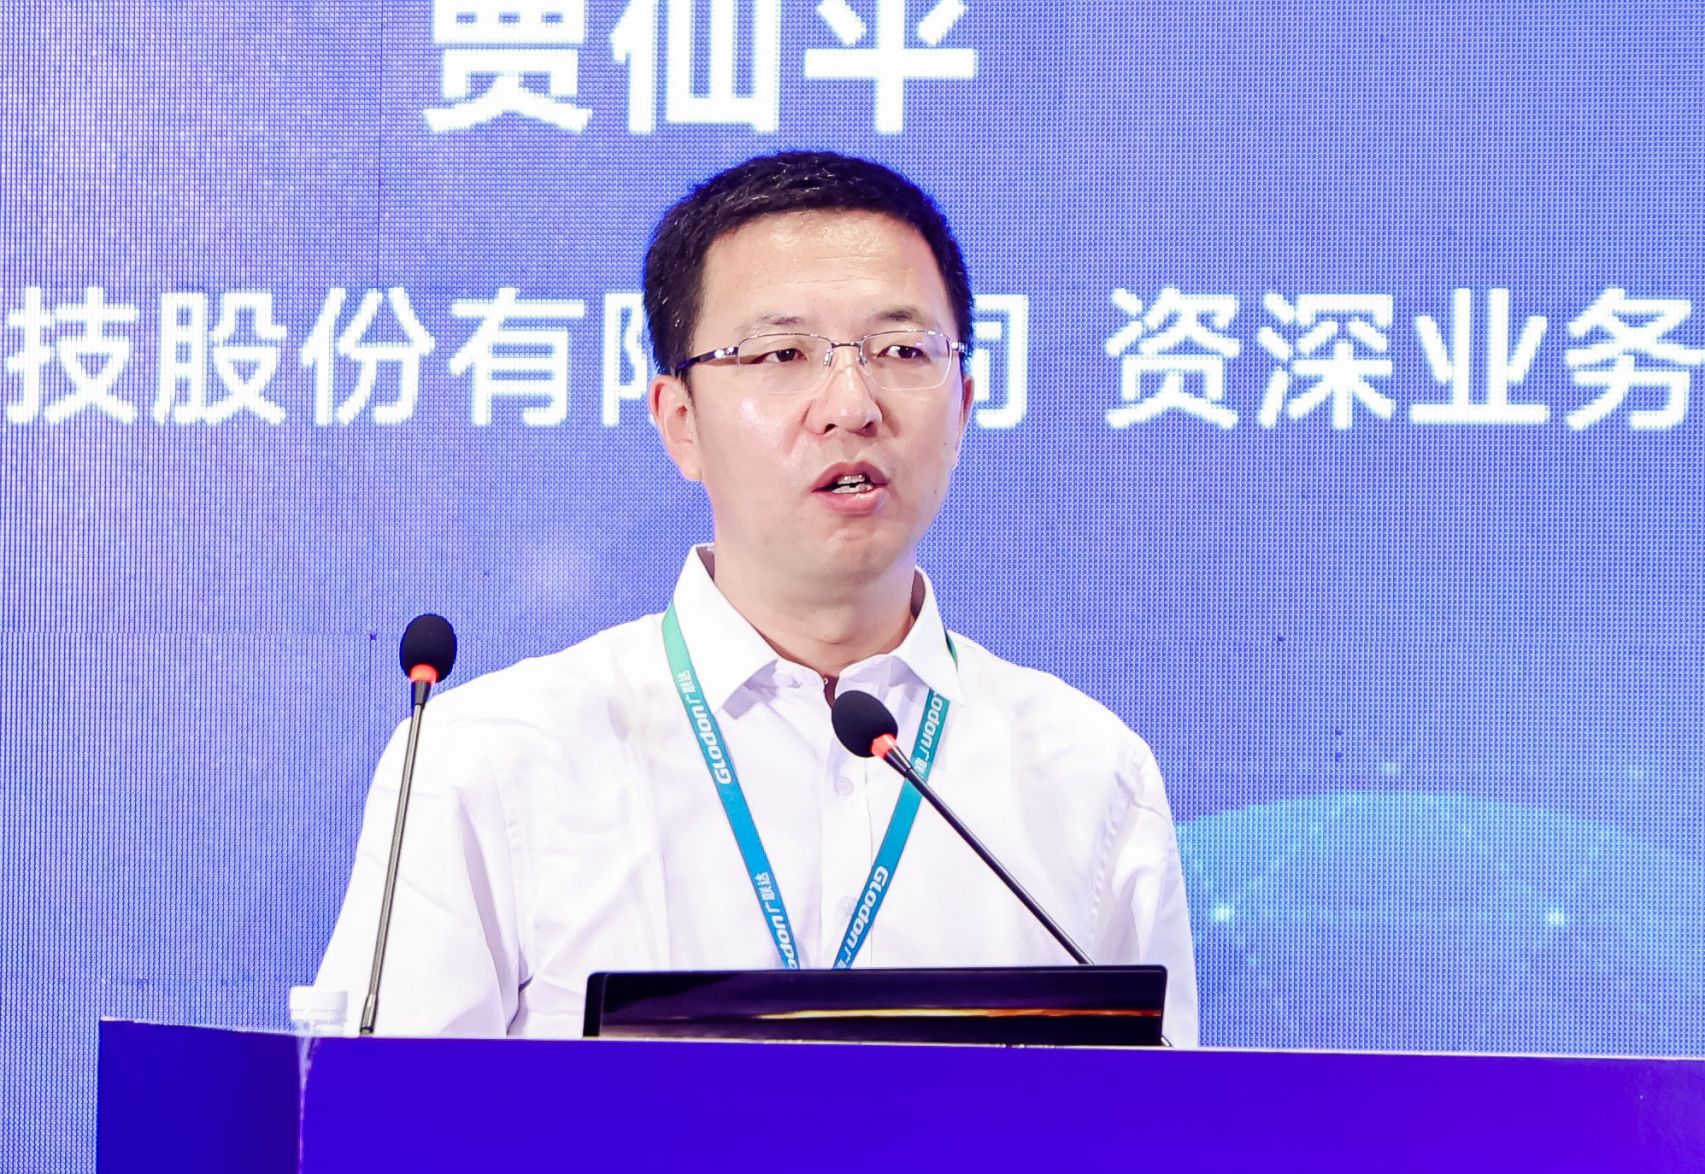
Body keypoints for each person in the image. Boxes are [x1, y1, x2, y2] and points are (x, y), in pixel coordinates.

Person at [314, 150, 1198, 1044]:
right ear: (681, 423)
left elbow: (1167, 1113)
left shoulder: (1087, 774)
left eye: (900, 351)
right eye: (782, 353)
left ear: (963, 405)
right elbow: (384, 1111)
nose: (851, 405)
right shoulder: (492, 758)